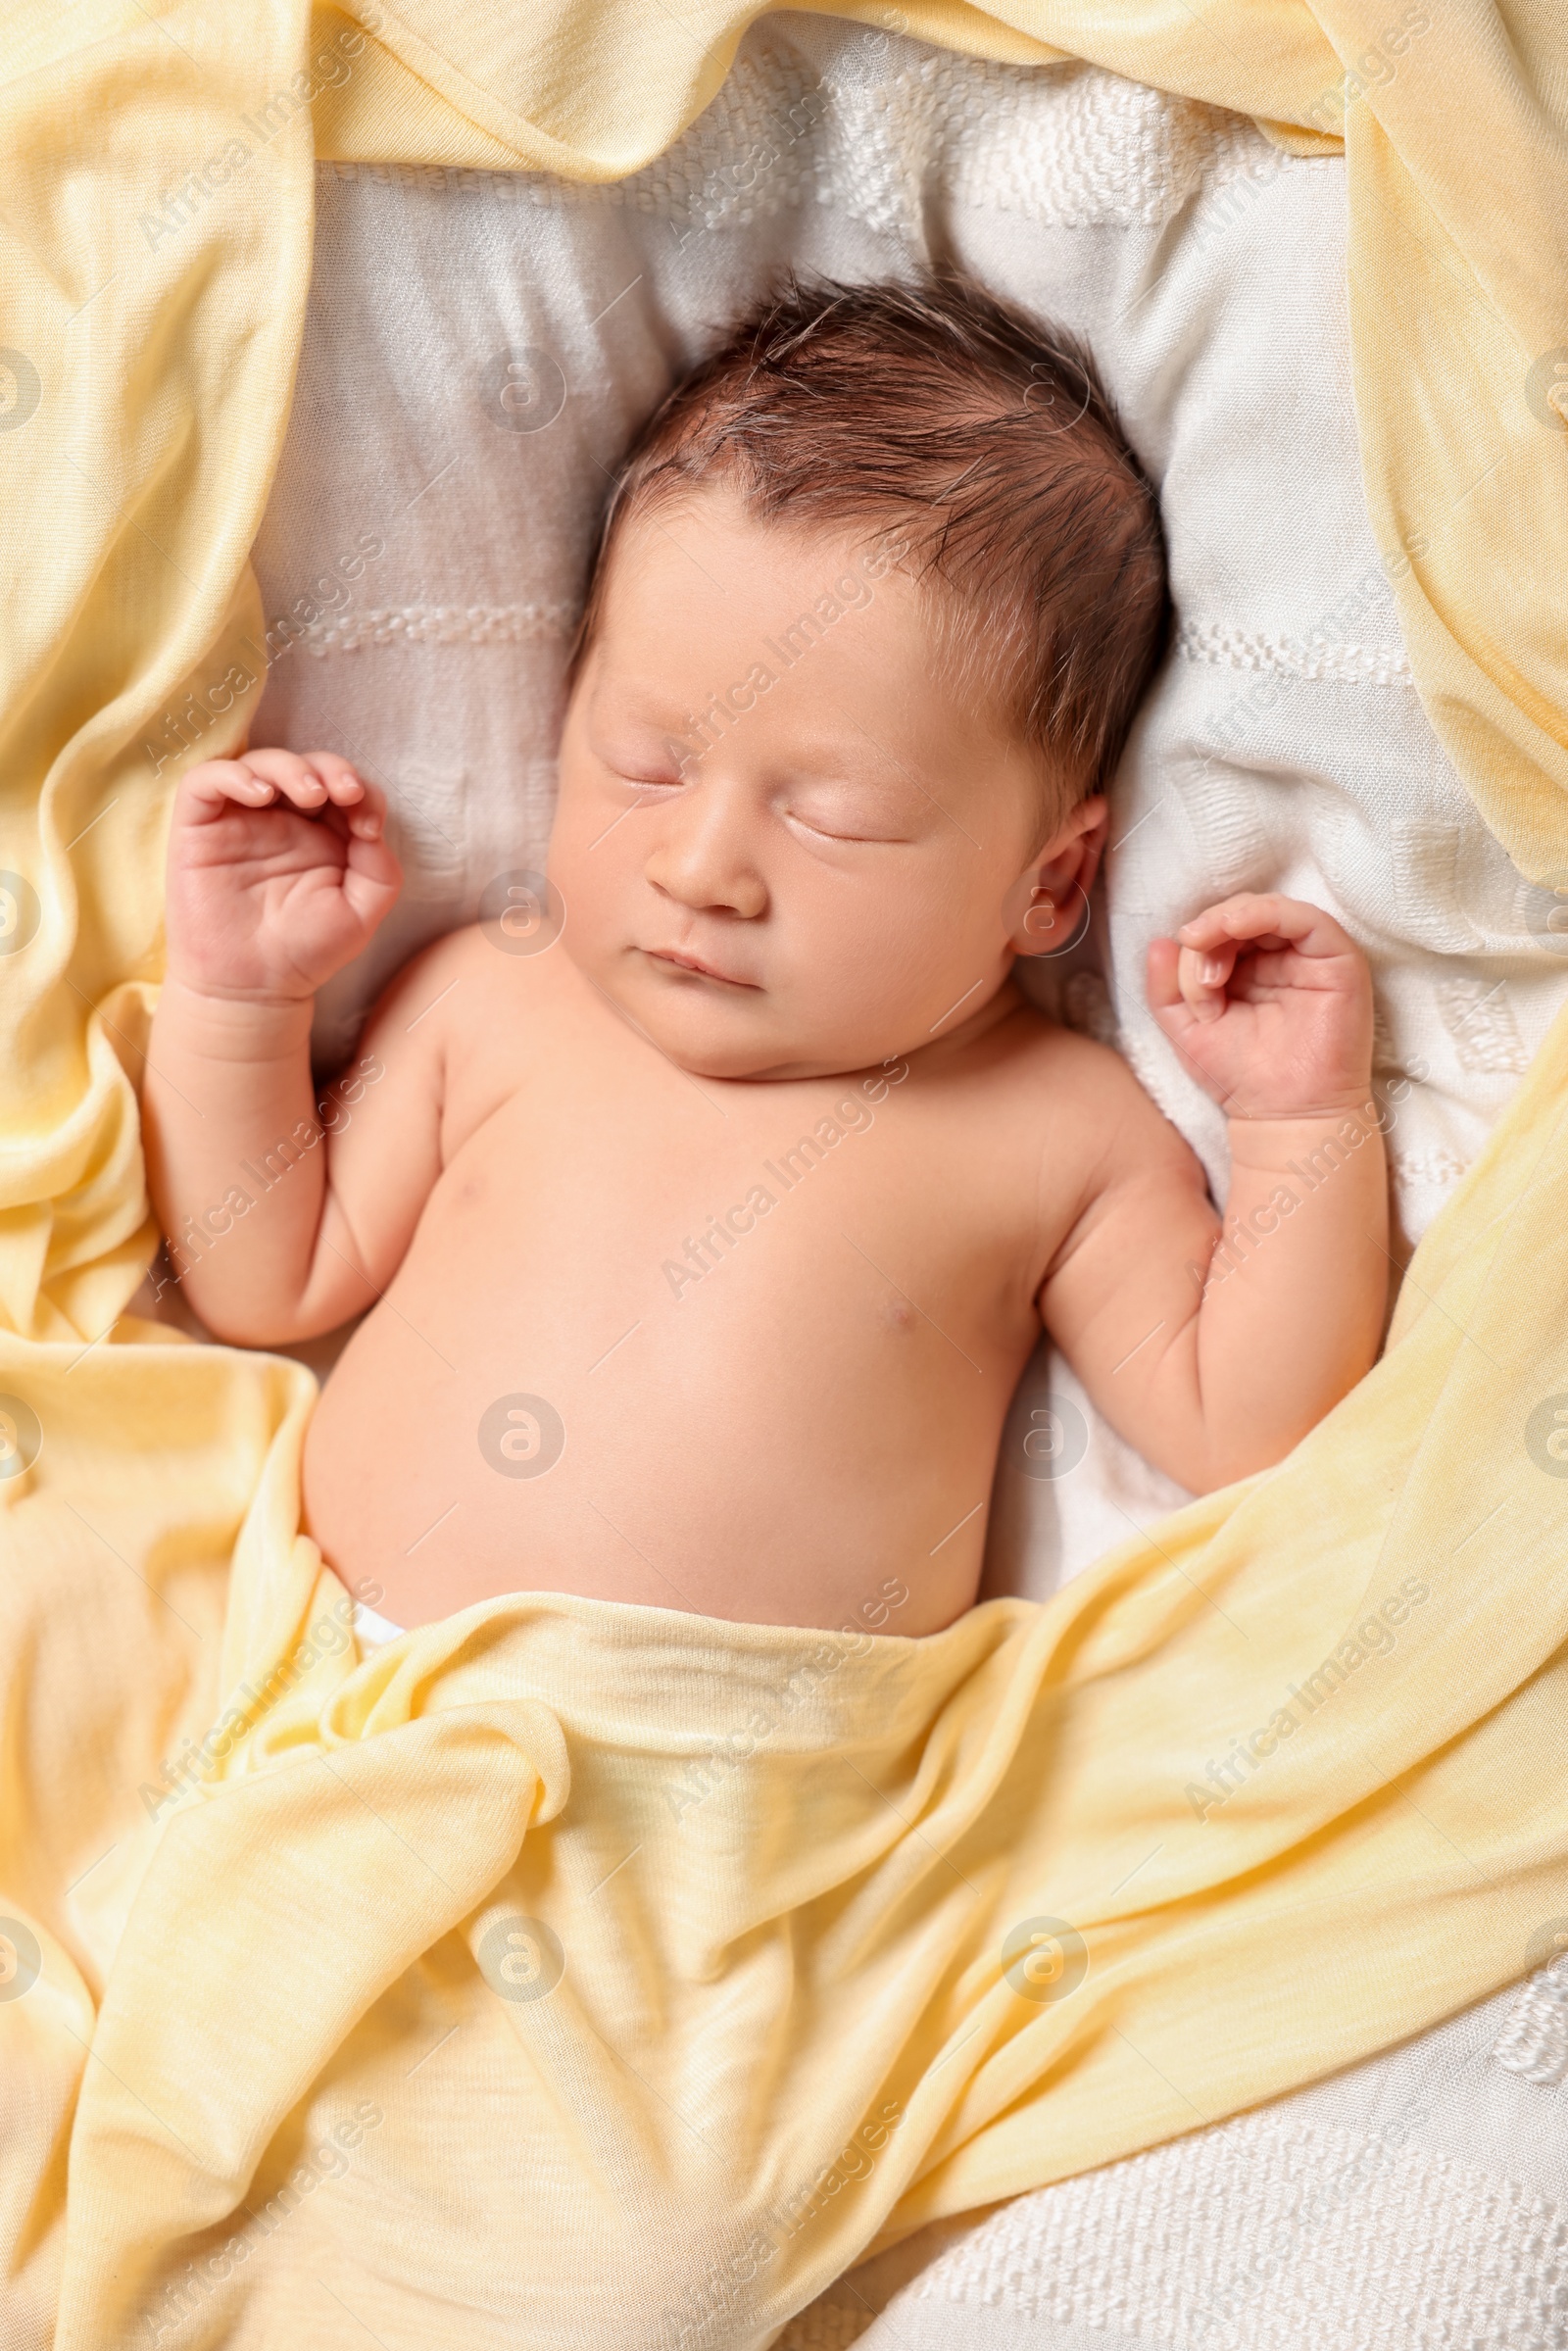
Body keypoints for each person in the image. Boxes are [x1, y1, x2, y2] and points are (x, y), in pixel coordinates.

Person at [142, 274, 1388, 1641]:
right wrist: (241, 1000)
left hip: (770, 1791)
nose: (702, 869)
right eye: (646, 763)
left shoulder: (1057, 1131)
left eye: (829, 817)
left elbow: (1251, 1433)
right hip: (366, 1677)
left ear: (1053, 883)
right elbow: (264, 1277)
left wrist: (1296, 1120)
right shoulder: (494, 999)